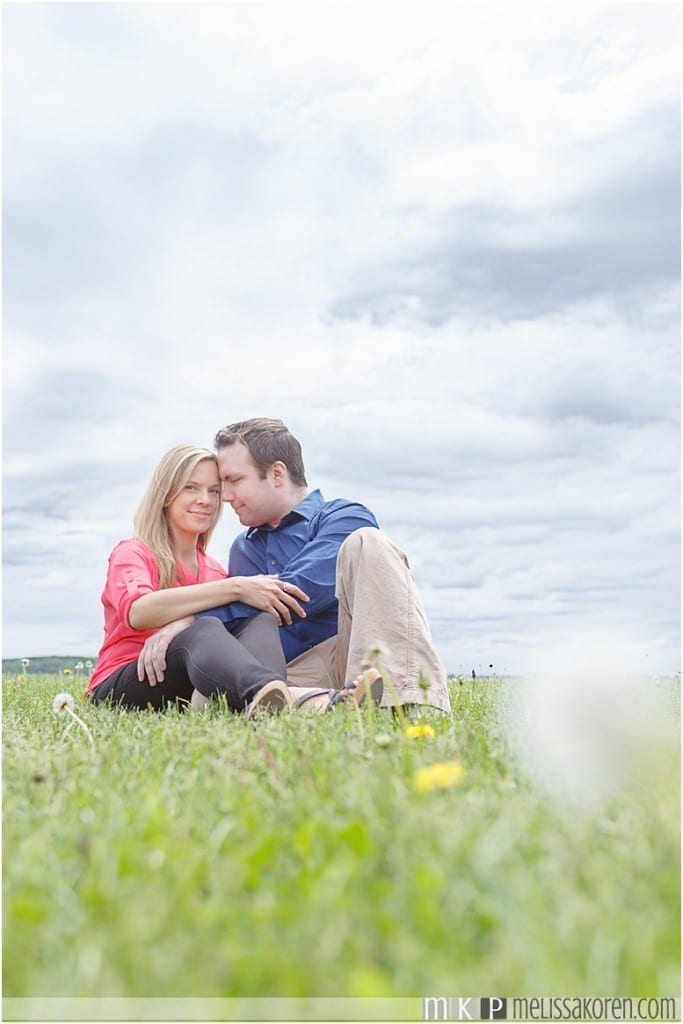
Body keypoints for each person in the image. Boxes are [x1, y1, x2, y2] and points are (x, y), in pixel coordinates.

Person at [166, 419, 451, 715]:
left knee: (369, 543)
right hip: (292, 671)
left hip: (357, 653)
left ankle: (413, 704)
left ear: (277, 473)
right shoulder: (243, 548)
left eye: (235, 481)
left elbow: (298, 590)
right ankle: (328, 704)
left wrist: (192, 619)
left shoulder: (344, 517)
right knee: (207, 700)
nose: (224, 496)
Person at [86, 444, 381, 715]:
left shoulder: (213, 569)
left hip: (185, 687)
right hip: (128, 680)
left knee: (259, 618)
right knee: (204, 629)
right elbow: (139, 612)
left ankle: (270, 702)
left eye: (213, 491)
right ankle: (296, 699)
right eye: (191, 488)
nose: (205, 500)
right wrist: (237, 587)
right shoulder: (135, 552)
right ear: (166, 494)